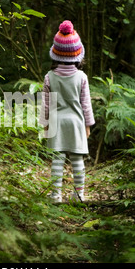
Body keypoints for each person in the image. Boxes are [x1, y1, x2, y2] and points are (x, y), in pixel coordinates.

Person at [39, 20, 95, 204]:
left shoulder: (49, 76)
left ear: (55, 54)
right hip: (76, 122)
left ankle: (56, 195)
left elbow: (46, 104)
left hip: (56, 122)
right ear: (78, 54)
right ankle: (79, 195)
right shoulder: (82, 77)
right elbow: (86, 104)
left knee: (57, 160)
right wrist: (88, 125)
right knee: (77, 160)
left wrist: (45, 124)